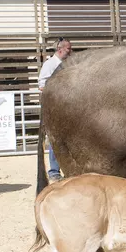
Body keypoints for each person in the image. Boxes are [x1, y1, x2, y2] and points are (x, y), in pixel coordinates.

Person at [38, 38, 72, 182]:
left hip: (68, 106)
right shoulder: (50, 64)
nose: (71, 52)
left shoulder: (69, 65)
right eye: (68, 49)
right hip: (55, 107)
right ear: (60, 49)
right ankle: (53, 171)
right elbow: (42, 85)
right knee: (54, 139)